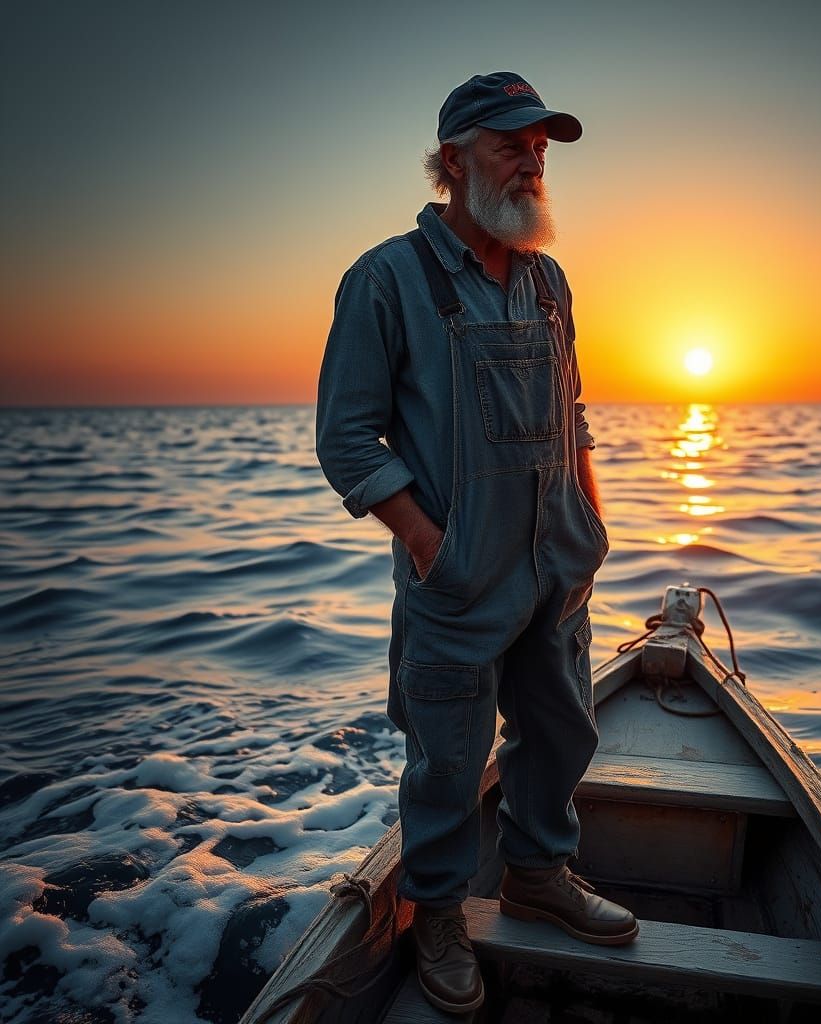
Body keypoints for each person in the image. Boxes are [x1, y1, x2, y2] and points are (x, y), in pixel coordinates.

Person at [316, 71, 638, 1014]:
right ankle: (441, 911)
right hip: (457, 570)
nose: (533, 160)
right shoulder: (387, 279)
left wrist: (592, 517)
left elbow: (572, 410)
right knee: (449, 754)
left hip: (557, 560)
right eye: (511, 144)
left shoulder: (547, 279)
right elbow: (345, 437)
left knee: (563, 726)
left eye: (542, 146)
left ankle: (539, 873)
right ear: (454, 161)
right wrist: (426, 544)